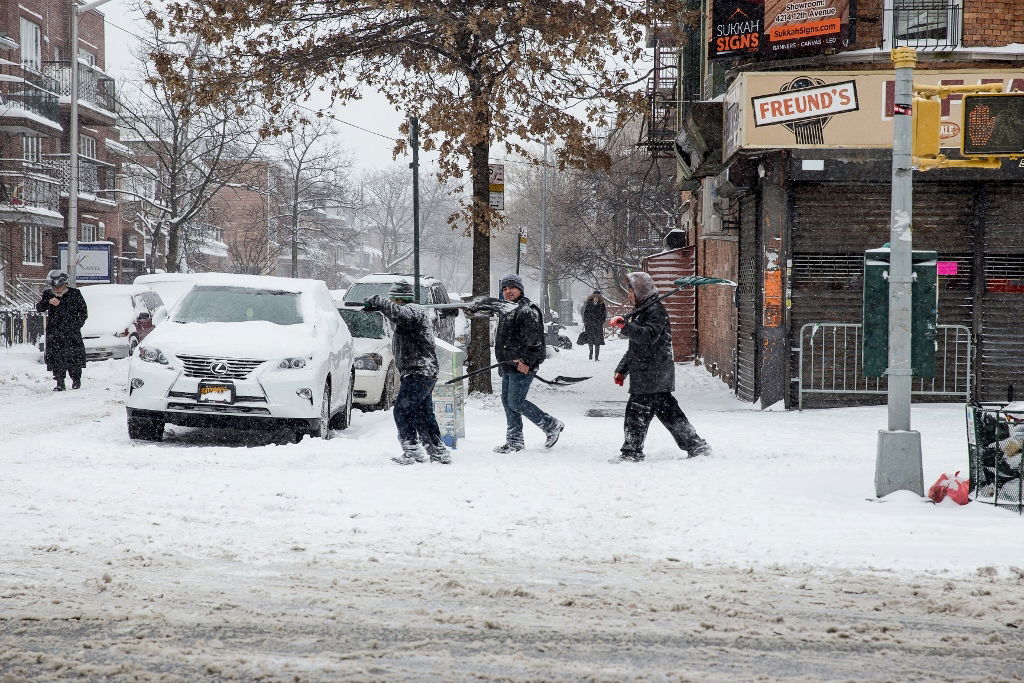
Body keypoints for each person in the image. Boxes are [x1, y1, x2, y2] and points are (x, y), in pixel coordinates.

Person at [607, 271, 710, 463]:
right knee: (669, 412)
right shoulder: (644, 310)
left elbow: (648, 336)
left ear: (640, 290)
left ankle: (631, 452)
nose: (629, 294)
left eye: (631, 290)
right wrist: (622, 369)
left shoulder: (655, 310)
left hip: (652, 372)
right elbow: (636, 348)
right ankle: (696, 445)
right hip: (652, 372)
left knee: (636, 413)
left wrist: (625, 327)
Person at [364, 282, 451, 466]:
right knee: (422, 414)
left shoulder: (414, 310)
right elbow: (397, 315)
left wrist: (379, 301)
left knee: (402, 411)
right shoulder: (413, 314)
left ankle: (412, 450)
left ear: (400, 299)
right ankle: (438, 451)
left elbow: (401, 314)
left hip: (419, 371)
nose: (392, 303)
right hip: (422, 371)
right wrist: (380, 308)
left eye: (394, 299)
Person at [492, 273, 564, 453]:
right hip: (508, 365)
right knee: (508, 402)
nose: (508, 292)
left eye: (512, 288)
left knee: (515, 401)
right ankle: (515, 441)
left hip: (521, 365)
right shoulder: (507, 309)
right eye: (505, 289)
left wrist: (526, 361)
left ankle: (551, 424)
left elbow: (536, 343)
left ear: (520, 290)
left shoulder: (527, 310)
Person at [36, 270, 88, 392]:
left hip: (71, 332)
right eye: (54, 286)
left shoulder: (75, 294)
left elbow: (83, 312)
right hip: (55, 332)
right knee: (56, 357)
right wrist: (48, 301)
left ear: (65, 284)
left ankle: (76, 379)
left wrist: (75, 325)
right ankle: (60, 382)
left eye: (59, 286)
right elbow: (39, 307)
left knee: (73, 357)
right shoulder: (48, 294)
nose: (57, 289)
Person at [581, 290, 607, 361]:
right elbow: (585, 314)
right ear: (592, 297)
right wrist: (586, 322)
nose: (596, 298)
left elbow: (604, 314)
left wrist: (601, 321)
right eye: (594, 297)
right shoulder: (588, 304)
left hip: (598, 325)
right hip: (589, 325)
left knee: (597, 341)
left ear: (599, 298)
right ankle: (591, 353)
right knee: (590, 340)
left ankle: (596, 357)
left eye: (597, 297)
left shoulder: (602, 304)